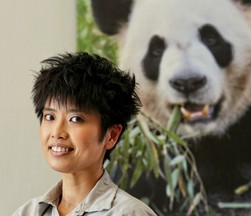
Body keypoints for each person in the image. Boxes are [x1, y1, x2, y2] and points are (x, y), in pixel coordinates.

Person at [13, 52, 157, 216]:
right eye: (49, 116)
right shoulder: (27, 212)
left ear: (111, 135)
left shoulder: (129, 213)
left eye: (75, 119)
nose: (57, 132)